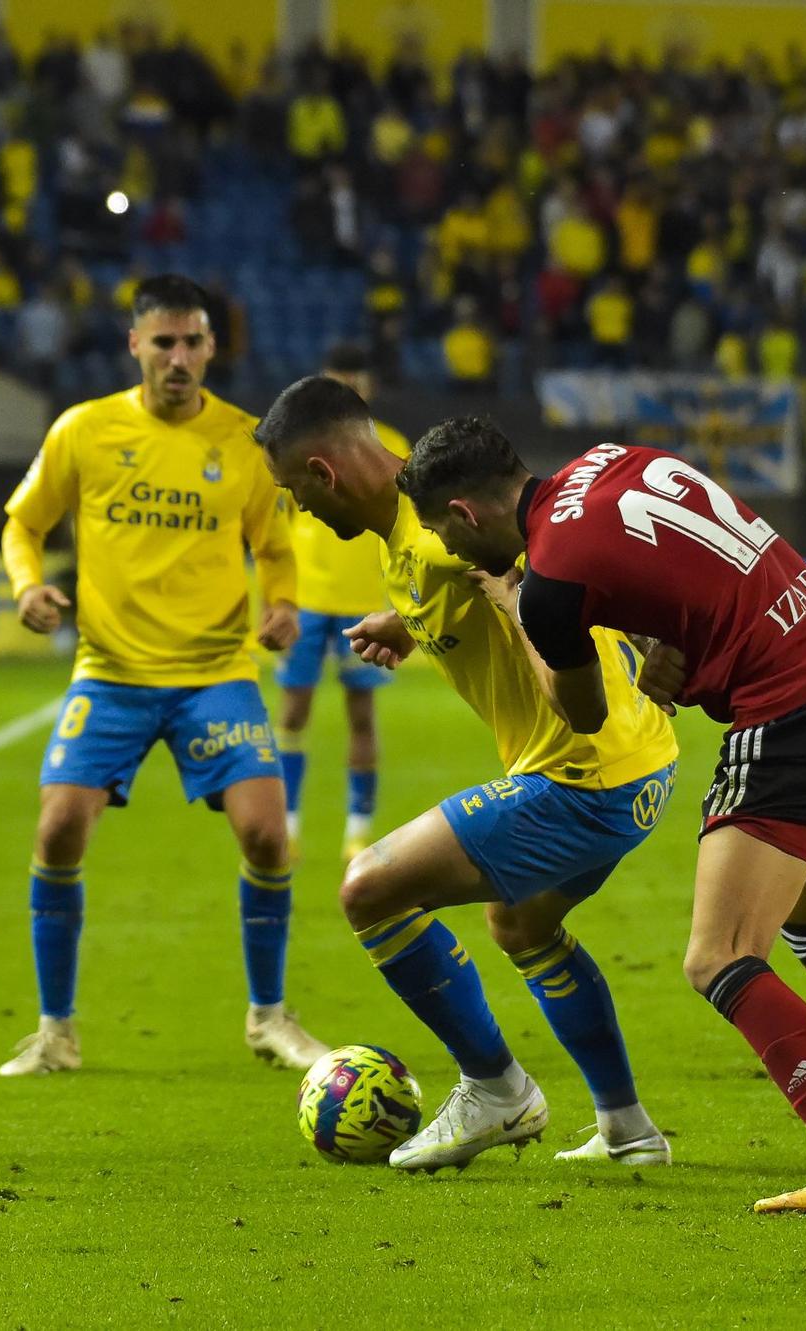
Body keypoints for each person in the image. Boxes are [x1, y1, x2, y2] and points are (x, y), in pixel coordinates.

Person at [394, 420, 806, 1215]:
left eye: (442, 532)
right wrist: (663, 644)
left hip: (795, 714)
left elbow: (583, 712)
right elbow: (687, 566)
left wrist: (512, 599)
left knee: (719, 956)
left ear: (465, 513)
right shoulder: (614, 460)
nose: (454, 553)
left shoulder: (548, 583)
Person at [254, 376, 678, 1171]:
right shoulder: (422, 515)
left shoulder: (446, 527)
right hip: (642, 764)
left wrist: (529, 602)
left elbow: (547, 578)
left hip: (582, 774)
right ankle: (628, 1127)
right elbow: (485, 582)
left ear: (323, 473)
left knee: (369, 888)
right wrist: (413, 623)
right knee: (522, 925)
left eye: (292, 492)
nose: (297, 511)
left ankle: (496, 1089)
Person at [0, 274, 324, 1077]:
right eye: (163, 342)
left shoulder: (246, 444)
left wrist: (282, 603)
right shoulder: (85, 431)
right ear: (134, 344)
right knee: (58, 830)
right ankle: (55, 1031)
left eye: (193, 342)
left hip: (215, 670)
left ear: (212, 347)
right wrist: (26, 587)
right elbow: (22, 523)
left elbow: (275, 546)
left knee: (267, 835)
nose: (178, 358)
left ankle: (269, 1015)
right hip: (110, 672)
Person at [272, 344, 403, 862]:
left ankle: (358, 830)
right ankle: (287, 823)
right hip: (307, 599)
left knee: (361, 716)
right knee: (293, 712)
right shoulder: (297, 448)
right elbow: (278, 525)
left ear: (368, 385)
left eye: (357, 376)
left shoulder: (392, 445)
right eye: (340, 377)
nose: (351, 384)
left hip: (362, 601)